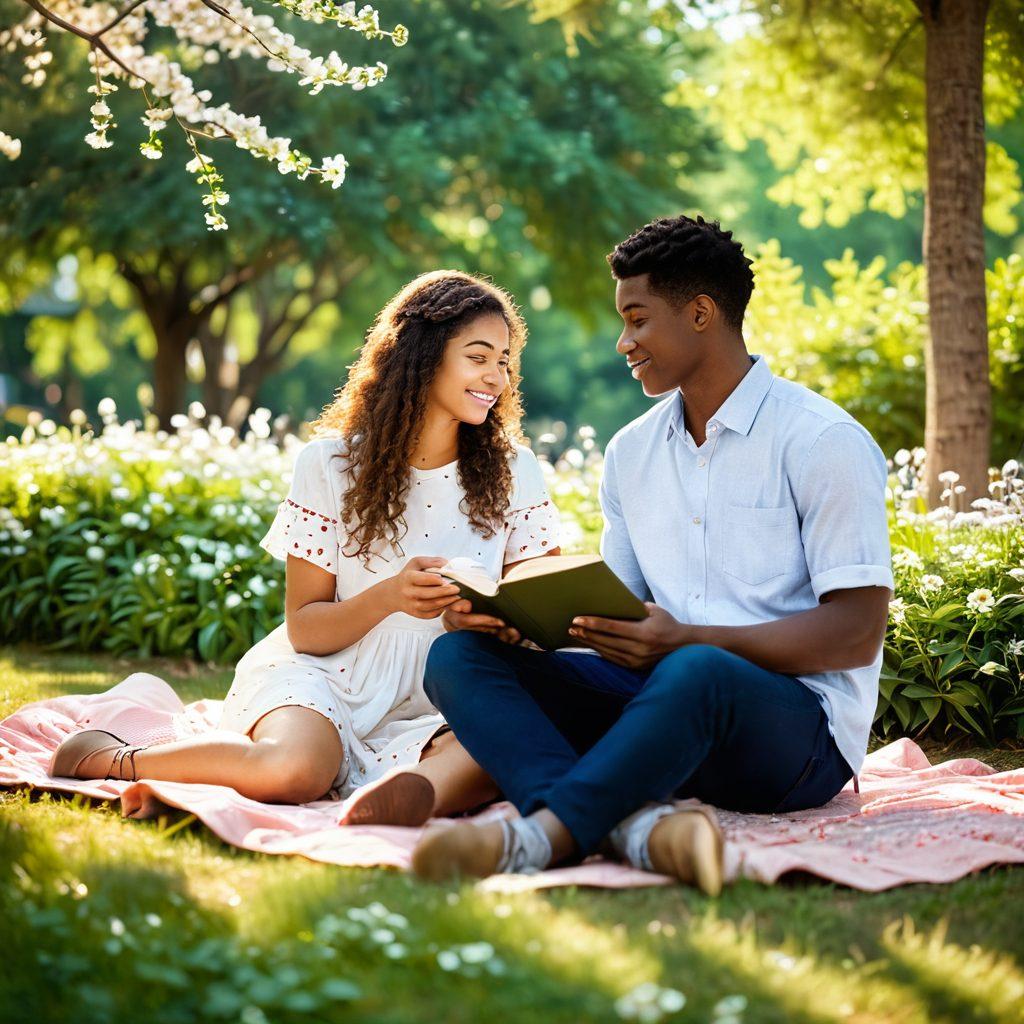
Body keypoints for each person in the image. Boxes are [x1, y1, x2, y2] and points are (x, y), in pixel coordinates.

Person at [412, 215, 894, 892]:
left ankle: (542, 838)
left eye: (637, 319)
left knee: (699, 667)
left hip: (795, 739)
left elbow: (855, 634)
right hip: (661, 711)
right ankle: (630, 829)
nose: (623, 341)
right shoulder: (631, 454)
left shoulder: (821, 441)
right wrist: (519, 623)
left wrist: (687, 640)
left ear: (701, 313)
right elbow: (621, 616)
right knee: (458, 656)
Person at [50, 270, 561, 826]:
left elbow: (537, 612)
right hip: (329, 674)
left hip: (450, 688)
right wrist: (391, 596)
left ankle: (389, 803)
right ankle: (114, 757)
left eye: (505, 361)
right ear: (424, 354)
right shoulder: (330, 465)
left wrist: (486, 622)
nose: (497, 377)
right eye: (479, 356)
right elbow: (307, 628)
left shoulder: (516, 472)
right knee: (296, 772)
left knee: (488, 755)